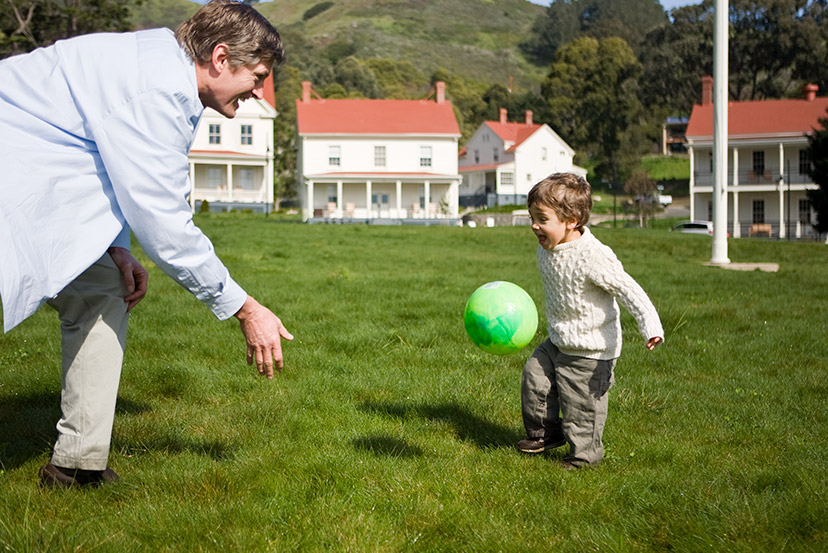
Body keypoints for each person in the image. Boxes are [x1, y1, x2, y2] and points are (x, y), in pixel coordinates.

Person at [0, 0, 293, 487]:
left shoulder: (161, 68)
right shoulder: (158, 90)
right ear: (221, 58)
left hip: (32, 179)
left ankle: (76, 465)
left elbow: (104, 161)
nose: (259, 92)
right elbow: (166, 225)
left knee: (100, 291)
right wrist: (245, 310)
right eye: (257, 76)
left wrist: (116, 248)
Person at [517, 173, 663, 469]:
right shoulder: (547, 248)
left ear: (571, 220)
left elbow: (629, 289)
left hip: (591, 350)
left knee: (581, 408)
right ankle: (546, 434)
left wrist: (651, 327)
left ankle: (585, 458)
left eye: (542, 219)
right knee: (534, 378)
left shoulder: (594, 257)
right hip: (558, 339)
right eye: (532, 217)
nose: (534, 226)